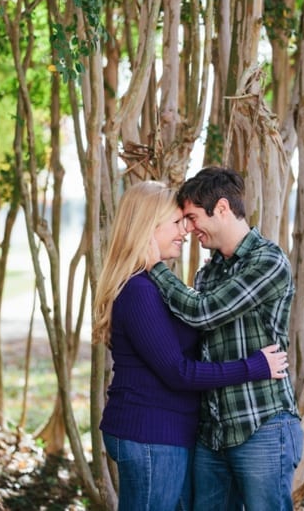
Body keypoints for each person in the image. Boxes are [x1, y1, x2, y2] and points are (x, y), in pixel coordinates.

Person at [93, 181, 290, 511]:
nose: (185, 230)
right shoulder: (140, 290)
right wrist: (254, 366)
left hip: (168, 433)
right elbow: (178, 372)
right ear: (147, 228)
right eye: (176, 222)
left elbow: (200, 321)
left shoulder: (157, 285)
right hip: (150, 432)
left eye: (188, 220)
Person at [147, 166, 303, 511]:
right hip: (212, 432)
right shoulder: (210, 271)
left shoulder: (268, 261)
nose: (187, 228)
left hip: (261, 423)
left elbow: (202, 312)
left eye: (191, 217)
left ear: (221, 208)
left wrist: (154, 264)